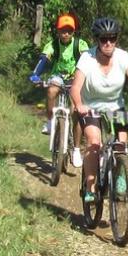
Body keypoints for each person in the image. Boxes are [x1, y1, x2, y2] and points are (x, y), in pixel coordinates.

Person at [70, 17, 128, 206]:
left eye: (112, 38)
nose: (108, 43)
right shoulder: (87, 58)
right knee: (94, 142)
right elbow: (75, 87)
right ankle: (91, 188)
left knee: (121, 145)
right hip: (90, 106)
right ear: (97, 40)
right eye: (103, 39)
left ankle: (119, 178)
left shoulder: (123, 57)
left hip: (116, 107)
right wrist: (79, 104)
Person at [30, 13, 90, 165]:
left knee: (76, 110)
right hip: (57, 77)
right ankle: (50, 121)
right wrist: (35, 75)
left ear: (73, 31)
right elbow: (43, 60)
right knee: (51, 91)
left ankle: (76, 149)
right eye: (63, 30)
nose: (66, 34)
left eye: (69, 30)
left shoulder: (80, 45)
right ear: (58, 31)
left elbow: (87, 61)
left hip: (75, 78)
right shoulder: (52, 45)